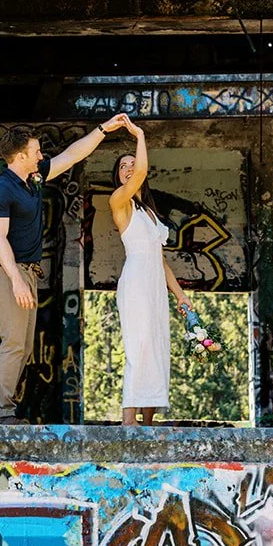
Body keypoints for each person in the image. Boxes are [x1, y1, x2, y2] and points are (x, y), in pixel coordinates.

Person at [0, 117, 128, 423]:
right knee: (13, 343)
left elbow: (72, 154)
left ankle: (0, 410)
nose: (40, 156)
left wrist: (102, 130)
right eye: (35, 151)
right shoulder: (2, 189)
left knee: (21, 347)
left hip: (26, 272)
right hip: (8, 273)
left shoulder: (33, 178)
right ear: (20, 156)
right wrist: (16, 281)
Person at [108, 115, 193, 424]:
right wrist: (140, 135)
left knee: (157, 348)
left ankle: (148, 423)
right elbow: (141, 173)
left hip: (155, 283)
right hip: (136, 283)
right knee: (140, 346)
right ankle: (128, 424)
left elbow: (161, 260)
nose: (130, 168)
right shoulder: (119, 201)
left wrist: (182, 296)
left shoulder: (150, 214)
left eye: (133, 163)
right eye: (123, 166)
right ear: (117, 177)